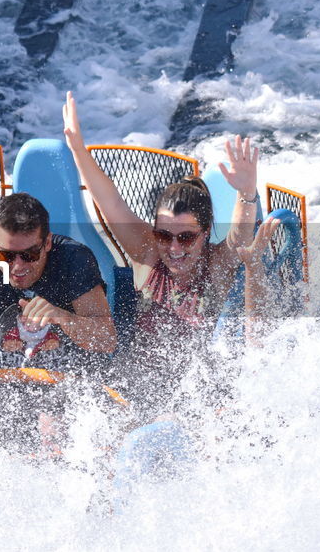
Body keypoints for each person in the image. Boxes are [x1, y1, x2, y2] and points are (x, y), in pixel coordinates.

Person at [60, 91, 279, 377]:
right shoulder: (147, 254)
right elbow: (111, 202)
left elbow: (239, 238)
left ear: (204, 233)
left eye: (186, 237)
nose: (174, 248)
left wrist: (247, 194)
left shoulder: (216, 265)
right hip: (140, 387)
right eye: (164, 235)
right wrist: (78, 150)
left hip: (197, 392)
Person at [0, 192, 117, 371]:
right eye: (5, 255)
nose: (17, 266)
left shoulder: (73, 259)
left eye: (29, 254)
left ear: (47, 243)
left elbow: (106, 340)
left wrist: (62, 317)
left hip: (75, 388)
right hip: (9, 388)